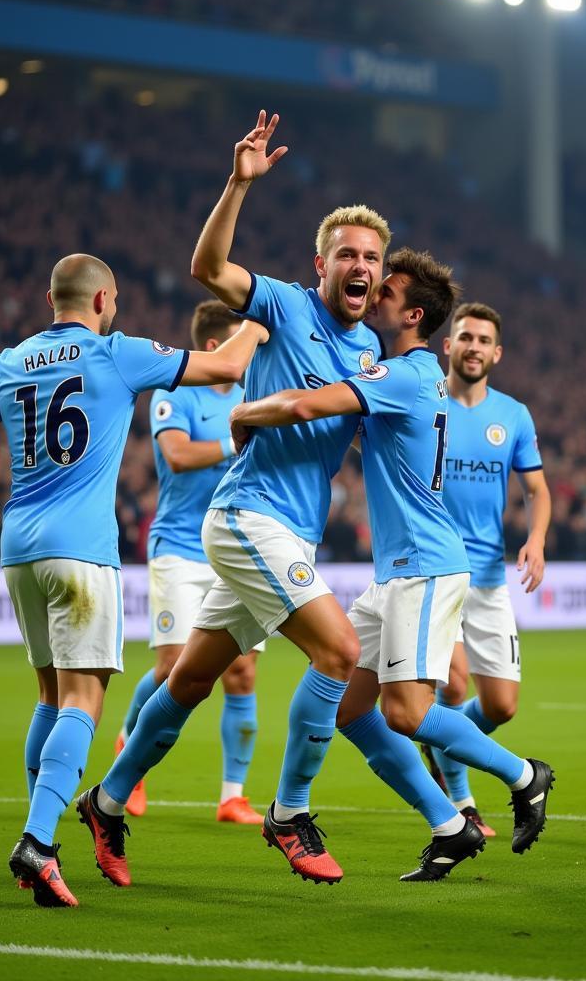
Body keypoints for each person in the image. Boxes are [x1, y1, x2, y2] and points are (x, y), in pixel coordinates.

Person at [76, 111, 385, 886]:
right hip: (246, 518)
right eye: (345, 252)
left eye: (371, 257)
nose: (359, 264)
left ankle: (107, 804)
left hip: (292, 530)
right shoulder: (283, 304)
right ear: (320, 264)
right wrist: (237, 185)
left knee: (188, 679)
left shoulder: (372, 349)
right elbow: (209, 266)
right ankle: (290, 812)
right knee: (340, 653)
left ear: (380, 277)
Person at [0, 253, 267, 907]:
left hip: (16, 544)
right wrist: (265, 313)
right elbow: (228, 367)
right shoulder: (117, 352)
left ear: (52, 297)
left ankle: (41, 834)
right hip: (82, 551)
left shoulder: (5, 362)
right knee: (84, 701)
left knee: (49, 696)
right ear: (102, 301)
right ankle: (37, 840)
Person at [228, 248, 555, 881]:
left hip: (426, 567)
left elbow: (304, 407)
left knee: (406, 712)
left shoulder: (405, 374)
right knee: (349, 705)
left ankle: (524, 775)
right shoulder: (409, 376)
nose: (374, 290)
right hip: (397, 572)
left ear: (412, 313)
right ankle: (449, 824)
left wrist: (245, 412)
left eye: (389, 288)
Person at [114, 299, 264, 825]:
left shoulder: (253, 395)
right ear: (212, 347)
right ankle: (129, 759)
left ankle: (232, 796)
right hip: (178, 547)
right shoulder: (173, 394)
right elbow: (177, 455)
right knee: (174, 668)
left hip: (235, 548)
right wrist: (234, 439)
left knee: (242, 672)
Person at [422, 302, 551, 837]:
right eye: (465, 337)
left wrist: (536, 540)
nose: (473, 347)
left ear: (496, 353)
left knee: (500, 703)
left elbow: (537, 489)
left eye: (484, 341)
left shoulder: (513, 415)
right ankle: (462, 800)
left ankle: (441, 741)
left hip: (490, 578)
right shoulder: (424, 402)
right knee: (452, 684)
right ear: (448, 346)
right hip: (434, 569)